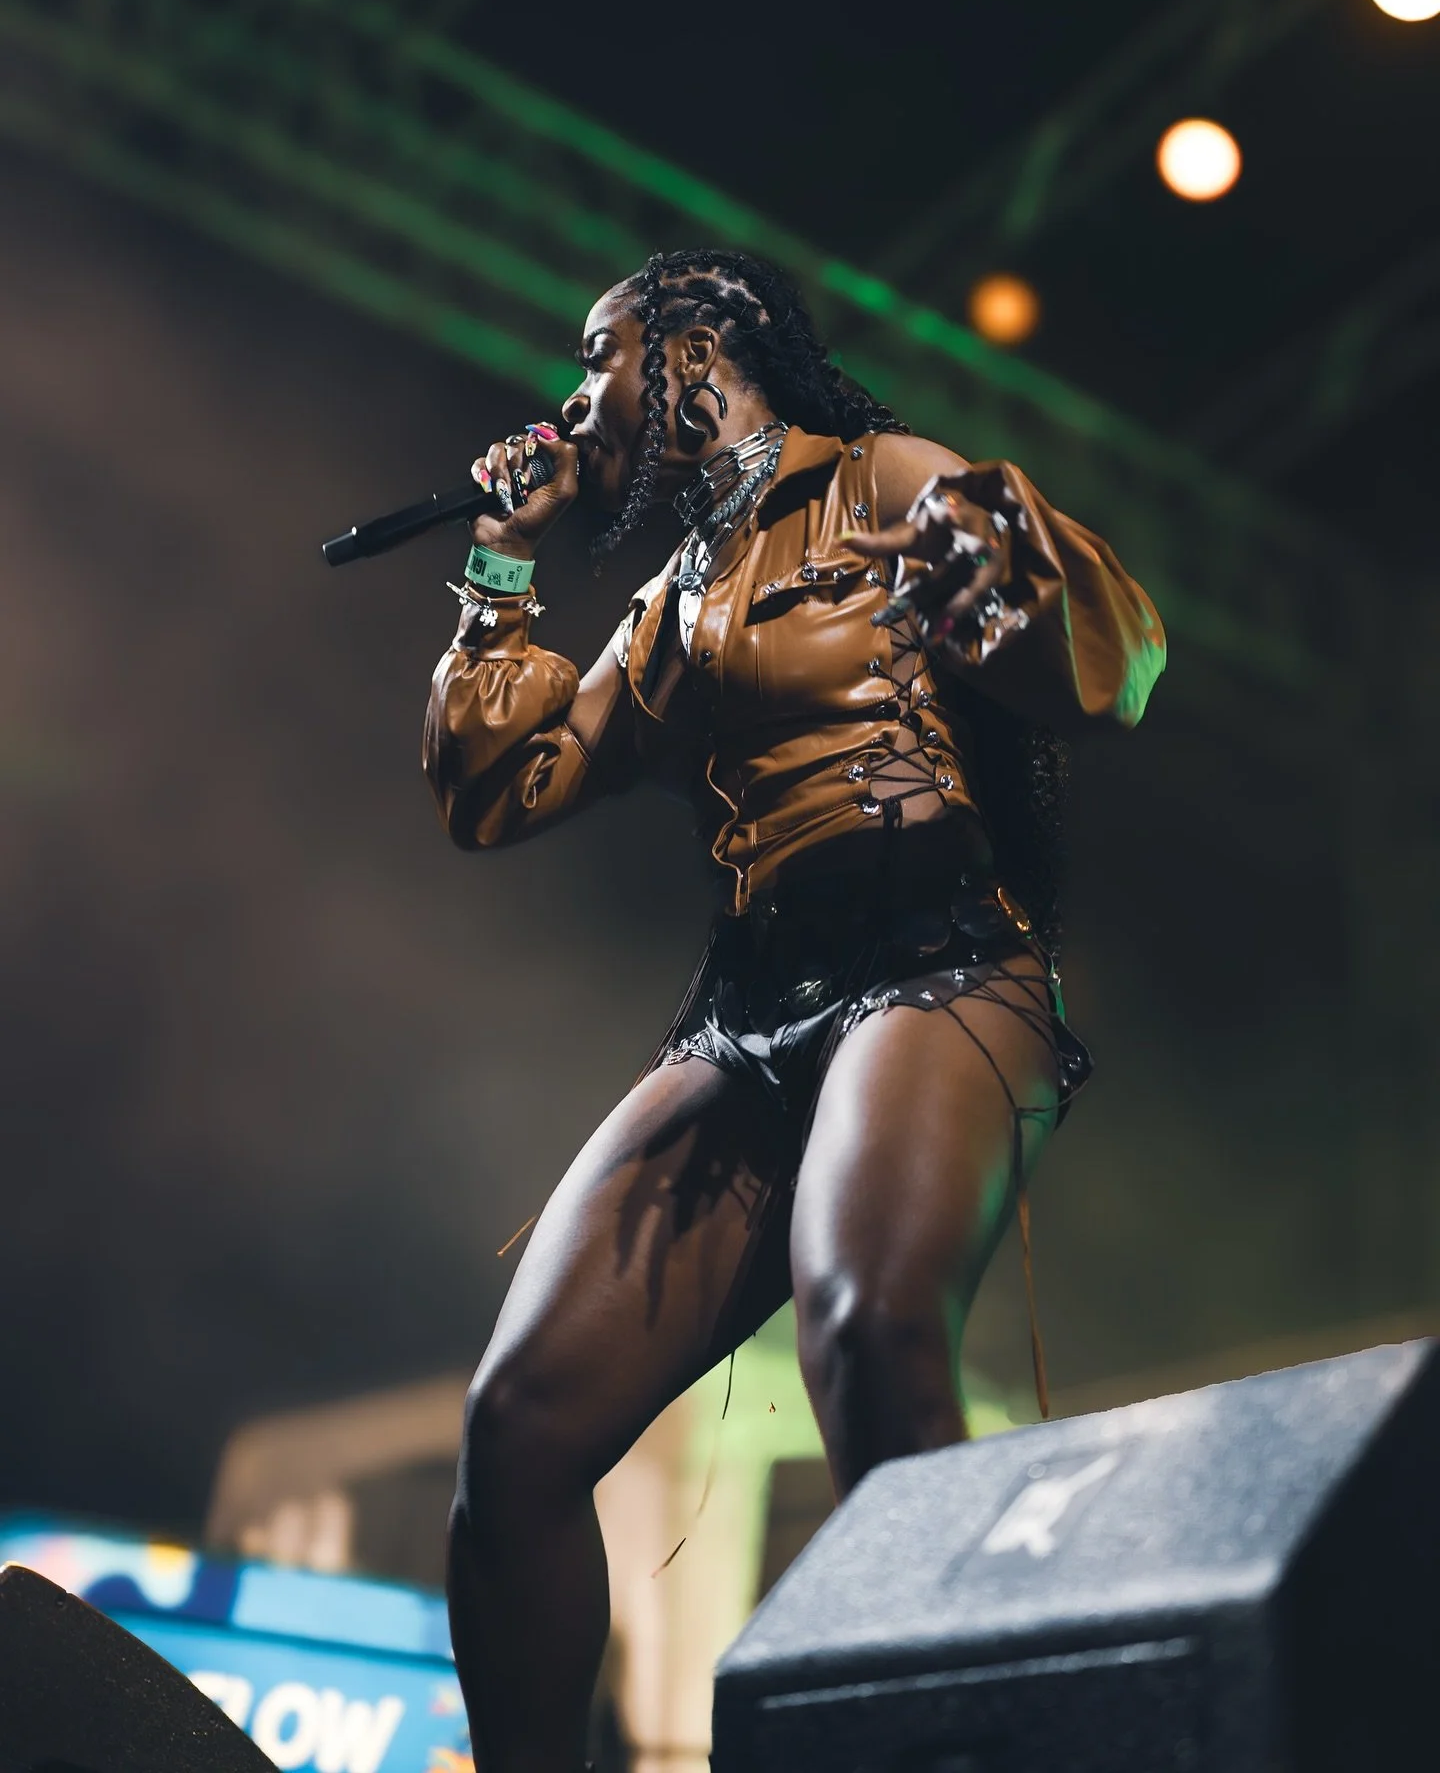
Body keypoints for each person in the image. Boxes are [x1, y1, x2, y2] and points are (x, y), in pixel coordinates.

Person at [423, 249, 1166, 1773]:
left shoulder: (881, 476)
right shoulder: (677, 594)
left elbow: (1112, 659)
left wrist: (993, 553)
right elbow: (504, 789)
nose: (578, 397)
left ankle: (957, 1747)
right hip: (753, 1016)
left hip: (941, 966)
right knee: (517, 1435)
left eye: (602, 357)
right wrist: (502, 567)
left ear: (701, 347)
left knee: (869, 1320)